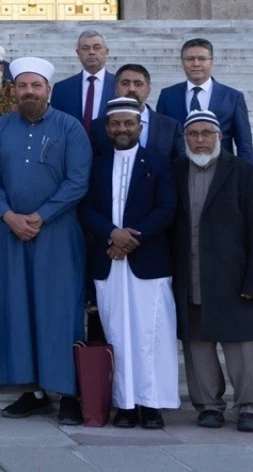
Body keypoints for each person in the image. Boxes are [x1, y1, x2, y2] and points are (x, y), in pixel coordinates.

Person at [0, 57, 91, 424]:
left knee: (58, 310)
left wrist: (41, 216)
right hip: (11, 232)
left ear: (49, 89)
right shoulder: (0, 128)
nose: (29, 92)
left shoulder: (69, 127)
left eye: (36, 86)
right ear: (13, 90)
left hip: (56, 233)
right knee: (19, 309)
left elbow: (77, 181)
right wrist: (10, 216)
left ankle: (70, 391)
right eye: (22, 86)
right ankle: (34, 390)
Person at [79, 97, 179, 429]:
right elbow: (86, 209)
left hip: (147, 261)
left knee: (151, 335)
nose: (122, 129)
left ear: (140, 126)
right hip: (109, 261)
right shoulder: (97, 164)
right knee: (117, 334)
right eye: (116, 124)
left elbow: (166, 208)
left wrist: (130, 239)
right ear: (107, 128)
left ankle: (151, 405)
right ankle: (124, 405)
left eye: (129, 123)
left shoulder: (160, 162)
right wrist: (112, 234)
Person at [172, 110, 253, 432]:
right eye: (193, 134)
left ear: (219, 136)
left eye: (206, 133)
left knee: (242, 345)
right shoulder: (174, 171)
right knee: (197, 344)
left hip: (234, 276)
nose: (200, 140)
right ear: (185, 138)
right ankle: (209, 406)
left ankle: (250, 407)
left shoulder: (242, 171)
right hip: (190, 273)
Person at [156, 38, 253, 161]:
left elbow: (244, 144)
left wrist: (246, 176)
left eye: (202, 58)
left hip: (221, 171)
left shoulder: (233, 97)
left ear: (212, 62)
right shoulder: (167, 96)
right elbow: (159, 139)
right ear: (182, 62)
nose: (196, 64)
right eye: (190, 59)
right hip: (179, 171)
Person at [91, 64, 184, 160]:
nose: (132, 89)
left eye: (138, 84)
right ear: (115, 89)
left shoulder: (170, 127)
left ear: (148, 90)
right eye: (125, 83)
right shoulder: (98, 127)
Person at [52, 31, 115, 132]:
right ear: (78, 53)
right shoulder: (61, 89)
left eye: (97, 47)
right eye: (85, 48)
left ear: (107, 52)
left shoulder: (120, 85)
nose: (91, 52)